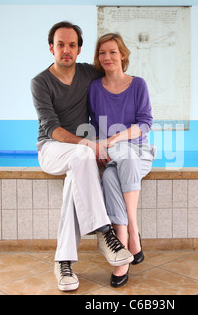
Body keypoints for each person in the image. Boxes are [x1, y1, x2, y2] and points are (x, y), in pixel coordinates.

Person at [30, 22, 134, 292]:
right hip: (51, 149)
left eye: (72, 45)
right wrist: (89, 144)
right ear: (51, 48)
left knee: (76, 176)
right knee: (82, 154)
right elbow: (51, 128)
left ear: (78, 49)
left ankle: (63, 262)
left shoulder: (88, 73)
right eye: (61, 44)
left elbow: (115, 71)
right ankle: (103, 231)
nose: (66, 50)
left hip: (80, 154)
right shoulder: (40, 82)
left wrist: (116, 138)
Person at [88, 33, 156, 288]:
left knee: (116, 169)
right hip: (113, 154)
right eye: (102, 53)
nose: (107, 57)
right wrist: (98, 146)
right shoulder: (95, 88)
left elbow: (145, 124)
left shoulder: (138, 85)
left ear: (123, 55)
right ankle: (128, 243)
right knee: (108, 176)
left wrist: (115, 139)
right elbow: (93, 124)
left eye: (112, 52)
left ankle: (126, 232)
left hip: (139, 152)